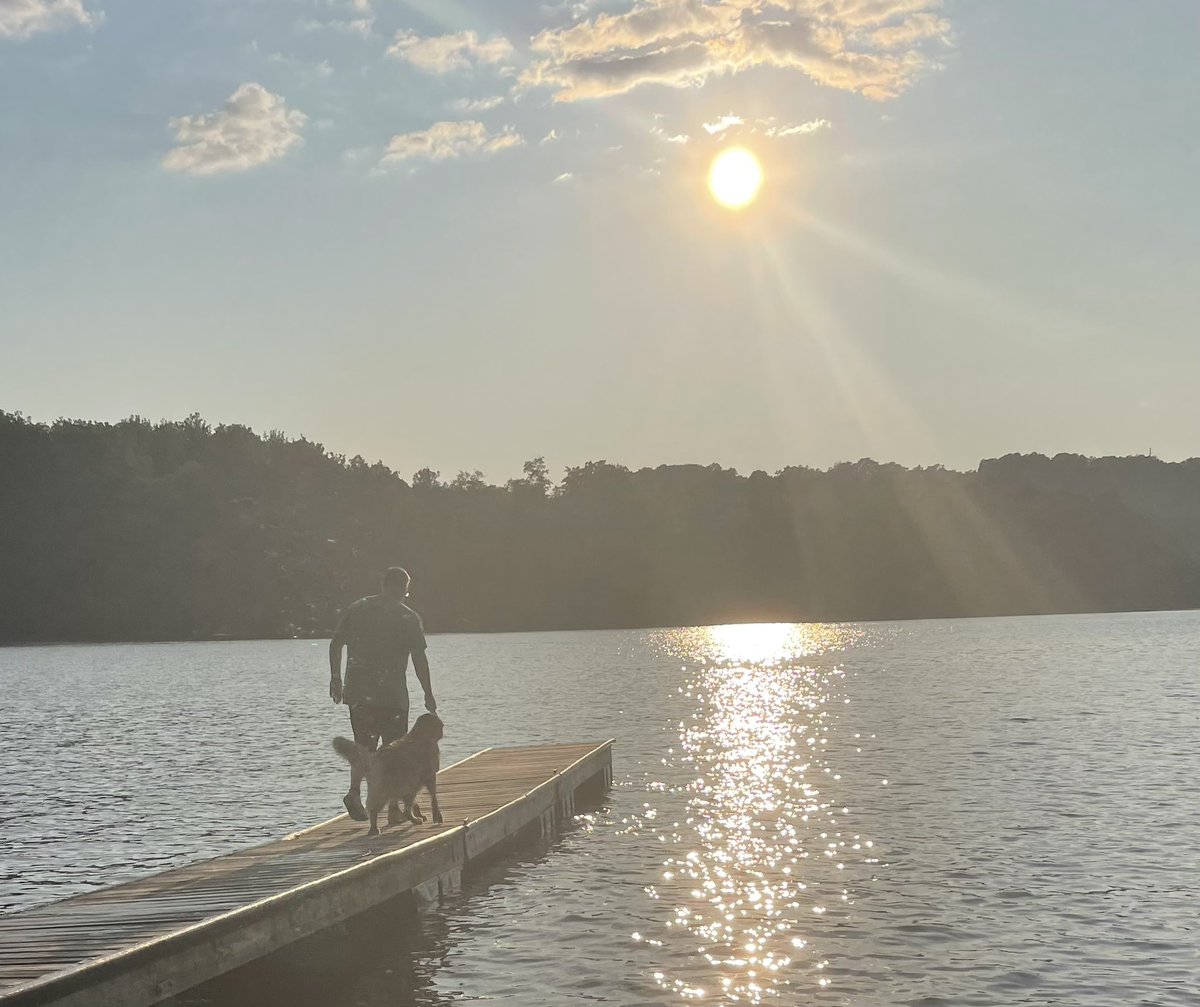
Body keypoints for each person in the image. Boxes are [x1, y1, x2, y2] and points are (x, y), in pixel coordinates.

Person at [328, 566, 436, 821]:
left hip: (359, 694)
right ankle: (394, 810)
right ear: (405, 589)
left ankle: (354, 793)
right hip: (392, 697)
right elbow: (419, 659)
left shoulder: (358, 608)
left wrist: (336, 677)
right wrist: (428, 693)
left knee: (363, 748)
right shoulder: (407, 617)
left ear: (383, 584)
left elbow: (336, 643)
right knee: (394, 752)